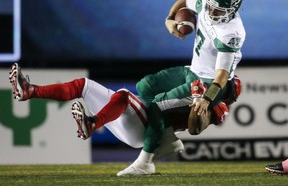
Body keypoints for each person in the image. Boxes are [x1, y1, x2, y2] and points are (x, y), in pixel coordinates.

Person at [9, 62, 232, 176]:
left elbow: (198, 123)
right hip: (136, 121)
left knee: (124, 96)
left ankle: (93, 124)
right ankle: (30, 91)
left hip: (144, 131)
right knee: (83, 85)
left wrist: (199, 100)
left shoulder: (209, 103)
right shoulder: (195, 84)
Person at [117, 0, 245, 176]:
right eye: (210, 7)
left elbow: (221, 75)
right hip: (193, 70)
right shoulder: (206, 2)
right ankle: (169, 139)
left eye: (218, 11)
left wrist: (207, 98)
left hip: (210, 83)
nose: (211, 12)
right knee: (145, 86)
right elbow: (184, 1)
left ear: (231, 11)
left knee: (157, 105)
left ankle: (145, 162)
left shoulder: (231, 32)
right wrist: (169, 19)